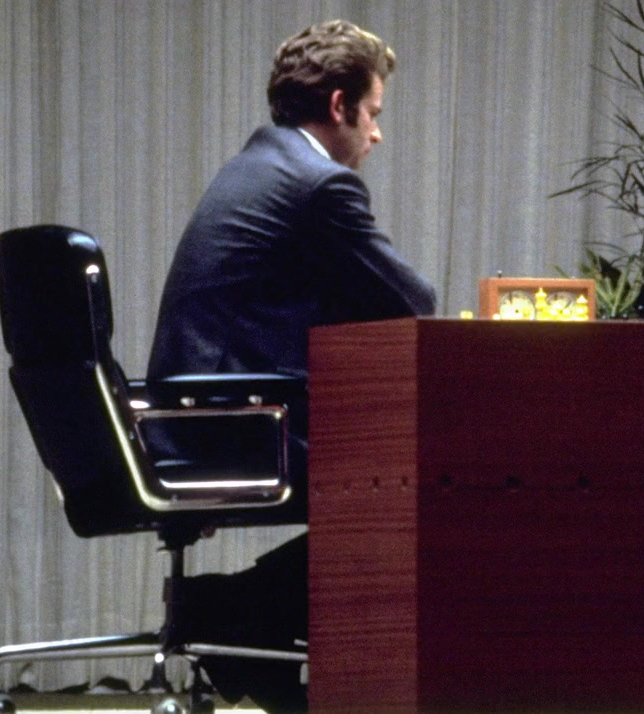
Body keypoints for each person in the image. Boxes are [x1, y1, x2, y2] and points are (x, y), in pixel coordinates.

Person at [146, 19, 436, 712]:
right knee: (432, 481)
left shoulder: (259, 164)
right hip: (240, 427)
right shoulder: (318, 184)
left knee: (406, 472)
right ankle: (238, 611)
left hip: (190, 419)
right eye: (373, 114)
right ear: (339, 105)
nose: (377, 134)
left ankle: (239, 613)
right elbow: (413, 302)